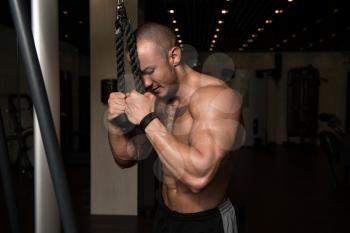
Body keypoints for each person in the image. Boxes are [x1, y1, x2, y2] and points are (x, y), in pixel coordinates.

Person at [107, 22, 242, 233]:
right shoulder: (157, 99)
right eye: (140, 74)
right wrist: (114, 122)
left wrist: (148, 120)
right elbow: (124, 158)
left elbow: (199, 177)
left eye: (150, 71)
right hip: (165, 216)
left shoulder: (217, 97)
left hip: (207, 221)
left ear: (174, 56)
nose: (146, 82)